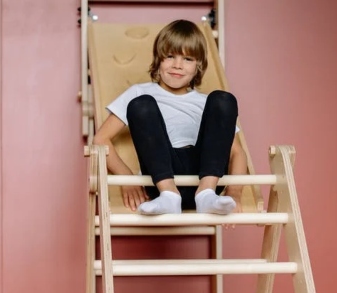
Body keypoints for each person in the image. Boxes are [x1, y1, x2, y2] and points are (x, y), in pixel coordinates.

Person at [93, 19, 247, 216]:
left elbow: (237, 153)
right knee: (141, 104)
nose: (177, 65)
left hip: (205, 176)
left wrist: (235, 193)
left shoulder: (206, 102)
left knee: (224, 99)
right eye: (170, 56)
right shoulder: (139, 92)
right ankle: (169, 196)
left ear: (198, 66)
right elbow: (100, 139)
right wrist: (127, 179)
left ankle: (206, 194)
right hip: (161, 178)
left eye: (188, 59)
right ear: (158, 59)